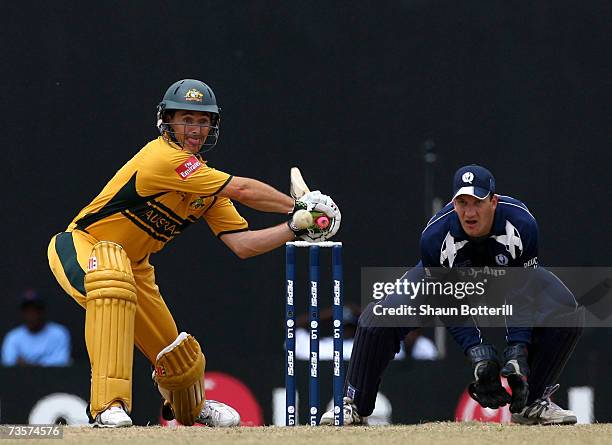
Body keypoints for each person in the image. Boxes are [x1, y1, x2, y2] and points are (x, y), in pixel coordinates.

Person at [47, 79, 341, 428]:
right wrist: (299, 206)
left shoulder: (205, 185)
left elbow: (243, 244)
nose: (196, 129)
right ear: (167, 122)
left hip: (135, 267)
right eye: (187, 119)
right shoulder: (162, 157)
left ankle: (192, 407)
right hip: (83, 245)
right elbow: (243, 188)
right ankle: (108, 407)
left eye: (204, 121)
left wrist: (295, 227)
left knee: (178, 361)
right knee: (111, 282)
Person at [320, 164, 582, 426]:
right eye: (462, 202)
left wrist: (517, 350)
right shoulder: (435, 236)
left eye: (477, 202)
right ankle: (353, 403)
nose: (469, 212)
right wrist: (477, 353)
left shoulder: (522, 223)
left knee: (566, 310)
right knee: (377, 320)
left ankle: (533, 403)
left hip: (505, 281)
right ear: (453, 203)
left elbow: (521, 292)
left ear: (493, 201)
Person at [1, 289, 71, 367]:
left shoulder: (59, 333)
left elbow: (61, 363)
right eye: (28, 311)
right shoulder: (13, 337)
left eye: (35, 310)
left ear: (43, 312)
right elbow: (8, 364)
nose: (31, 316)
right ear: (22, 314)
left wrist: (28, 365)